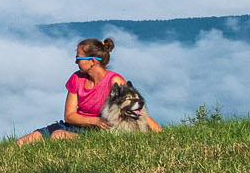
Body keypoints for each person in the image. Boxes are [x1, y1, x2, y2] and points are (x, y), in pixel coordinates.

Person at [14, 36, 162, 144]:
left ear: (92, 61)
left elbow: (135, 110)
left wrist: (160, 135)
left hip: (96, 131)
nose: (76, 61)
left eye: (79, 58)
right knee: (20, 144)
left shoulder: (115, 81)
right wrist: (95, 120)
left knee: (58, 136)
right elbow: (69, 116)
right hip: (75, 125)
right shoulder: (76, 78)